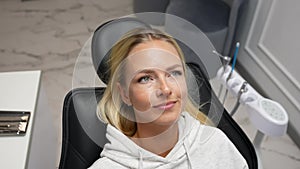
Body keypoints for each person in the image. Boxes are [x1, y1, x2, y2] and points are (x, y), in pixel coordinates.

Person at [89, 28, 248, 169]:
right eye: (146, 78)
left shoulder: (215, 143)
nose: (165, 89)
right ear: (124, 94)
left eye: (174, 73)